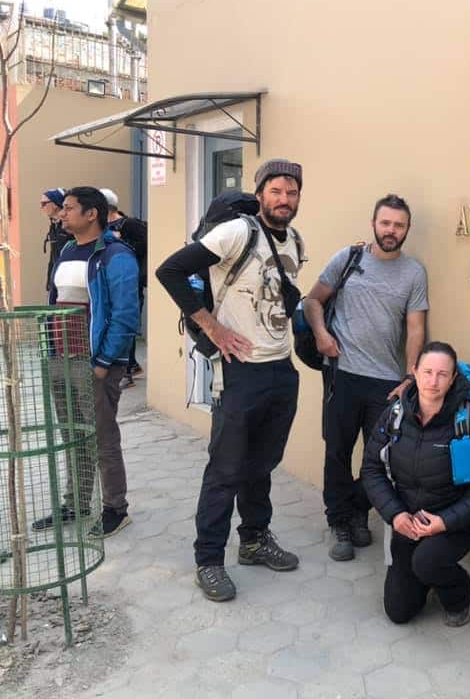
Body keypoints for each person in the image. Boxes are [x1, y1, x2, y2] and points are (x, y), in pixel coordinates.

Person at [155, 159, 305, 602]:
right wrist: (213, 327)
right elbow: (170, 271)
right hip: (240, 372)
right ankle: (209, 560)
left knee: (261, 464)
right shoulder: (237, 232)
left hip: (281, 368)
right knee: (226, 470)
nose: (284, 199)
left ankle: (255, 540)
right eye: (276, 191)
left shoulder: (295, 239)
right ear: (260, 194)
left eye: (292, 192)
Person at [302, 194, 428, 562]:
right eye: (386, 223)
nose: (391, 231)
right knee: (337, 452)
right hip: (342, 375)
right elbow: (313, 301)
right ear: (374, 223)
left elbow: (416, 327)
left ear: (407, 229)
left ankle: (359, 510)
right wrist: (322, 335)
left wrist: (411, 375)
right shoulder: (348, 259)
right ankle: (340, 522)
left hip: (386, 382)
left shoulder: (414, 272)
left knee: (384, 458)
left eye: (399, 225)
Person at [361, 341, 470, 626]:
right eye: (427, 372)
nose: (433, 381)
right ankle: (425, 574)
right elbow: (371, 469)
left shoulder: (469, 423)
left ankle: (458, 594)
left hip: (453, 524)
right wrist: (395, 514)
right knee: (398, 612)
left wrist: (444, 522)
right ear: (414, 372)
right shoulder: (395, 416)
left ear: (453, 379)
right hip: (407, 522)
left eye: (442, 374)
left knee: (427, 562)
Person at [32, 187, 140, 538]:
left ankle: (115, 509)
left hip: (92, 362)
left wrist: (104, 362)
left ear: (92, 214)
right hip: (59, 357)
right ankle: (76, 502)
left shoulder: (115, 254)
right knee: (72, 435)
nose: (62, 215)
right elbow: (56, 299)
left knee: (102, 437)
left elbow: (126, 314)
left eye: (69, 208)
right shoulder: (66, 251)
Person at [101, 188, 148, 388]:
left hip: (128, 283)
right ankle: (131, 365)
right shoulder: (101, 227)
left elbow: (146, 246)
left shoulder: (130, 224)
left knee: (124, 323)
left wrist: (119, 240)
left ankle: (126, 372)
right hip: (108, 282)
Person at [40, 187, 71, 292]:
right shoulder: (54, 225)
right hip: (57, 278)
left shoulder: (70, 225)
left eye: (44, 204)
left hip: (69, 278)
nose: (41, 207)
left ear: (55, 204)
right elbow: (53, 256)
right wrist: (49, 282)